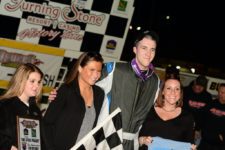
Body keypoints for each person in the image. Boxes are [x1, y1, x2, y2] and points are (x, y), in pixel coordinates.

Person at [48, 30, 161, 150]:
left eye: (152, 49)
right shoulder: (114, 70)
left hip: (133, 145)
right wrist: (59, 94)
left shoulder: (156, 81)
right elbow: (83, 79)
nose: (148, 53)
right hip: (106, 141)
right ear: (135, 49)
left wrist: (142, 139)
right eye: (144, 48)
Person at [42, 52, 105, 150]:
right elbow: (47, 124)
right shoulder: (66, 90)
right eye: (92, 69)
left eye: (99, 71)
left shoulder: (99, 94)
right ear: (80, 68)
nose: (96, 75)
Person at [138, 76, 196, 150]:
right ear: (162, 91)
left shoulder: (187, 117)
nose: (173, 92)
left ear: (180, 93)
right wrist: (142, 140)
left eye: (177, 89)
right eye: (169, 88)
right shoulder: (148, 110)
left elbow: (190, 144)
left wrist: (192, 148)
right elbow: (134, 136)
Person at [0, 63, 44, 150]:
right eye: (32, 81)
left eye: (38, 82)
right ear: (20, 81)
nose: (37, 86)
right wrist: (9, 146)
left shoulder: (35, 110)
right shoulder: (5, 105)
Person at [183, 75, 212, 145]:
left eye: (202, 86)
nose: (199, 87)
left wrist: (198, 129)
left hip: (197, 131)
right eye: (198, 85)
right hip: (181, 126)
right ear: (195, 82)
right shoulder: (185, 91)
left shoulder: (207, 96)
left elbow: (206, 115)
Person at [198, 83, 225, 150]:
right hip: (205, 143)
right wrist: (200, 131)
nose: (222, 94)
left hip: (220, 145)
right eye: (220, 92)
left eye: (224, 92)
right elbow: (202, 118)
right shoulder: (211, 104)